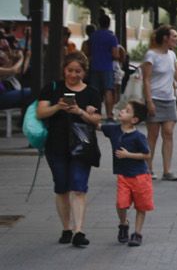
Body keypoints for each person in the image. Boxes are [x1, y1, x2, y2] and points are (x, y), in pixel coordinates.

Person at [40, 51, 103, 246]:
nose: (73, 75)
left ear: (84, 72)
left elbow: (97, 121)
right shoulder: (52, 88)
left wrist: (80, 111)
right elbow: (41, 112)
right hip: (56, 145)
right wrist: (58, 107)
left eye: (78, 71)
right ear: (64, 70)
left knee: (79, 187)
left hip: (82, 146)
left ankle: (78, 231)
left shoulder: (92, 92)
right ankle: (66, 228)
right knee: (61, 187)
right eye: (69, 70)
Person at [101, 100, 154, 247]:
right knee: (121, 203)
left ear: (134, 120)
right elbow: (98, 126)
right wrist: (86, 113)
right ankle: (123, 223)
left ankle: (137, 233)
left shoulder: (139, 136)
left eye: (127, 111)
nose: (122, 111)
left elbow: (147, 155)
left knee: (141, 205)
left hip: (140, 176)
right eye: (123, 109)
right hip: (123, 175)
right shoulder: (114, 130)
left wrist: (128, 155)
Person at [140, 25, 177, 181]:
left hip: (169, 99)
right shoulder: (151, 55)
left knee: (169, 132)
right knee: (152, 135)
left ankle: (167, 170)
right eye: (174, 36)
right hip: (155, 98)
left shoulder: (172, 55)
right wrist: (149, 101)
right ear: (165, 38)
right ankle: (148, 168)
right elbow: (146, 79)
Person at [86, 13, 119, 108]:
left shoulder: (93, 36)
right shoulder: (112, 37)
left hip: (94, 66)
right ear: (109, 24)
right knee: (108, 90)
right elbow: (115, 54)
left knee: (94, 91)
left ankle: (94, 112)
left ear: (99, 23)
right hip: (107, 67)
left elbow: (88, 51)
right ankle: (109, 115)